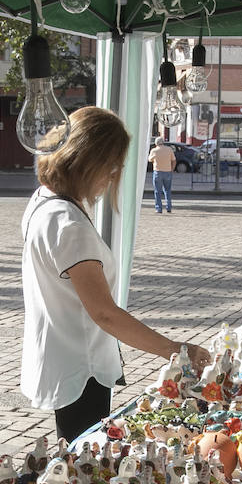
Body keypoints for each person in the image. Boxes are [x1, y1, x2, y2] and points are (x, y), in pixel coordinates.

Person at [23, 108, 212, 441]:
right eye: (111, 170)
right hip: (81, 369)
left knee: (80, 456)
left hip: (66, 357)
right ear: (89, 163)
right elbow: (105, 314)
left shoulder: (44, 199)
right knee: (83, 460)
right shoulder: (68, 225)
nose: (111, 179)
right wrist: (174, 348)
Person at [148, 140, 175, 213]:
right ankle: (169, 207)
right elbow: (174, 160)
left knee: (157, 191)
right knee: (167, 190)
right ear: (163, 142)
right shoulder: (169, 149)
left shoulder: (154, 150)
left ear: (156, 143)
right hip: (167, 171)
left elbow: (150, 159)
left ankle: (159, 208)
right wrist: (172, 169)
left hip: (158, 171)